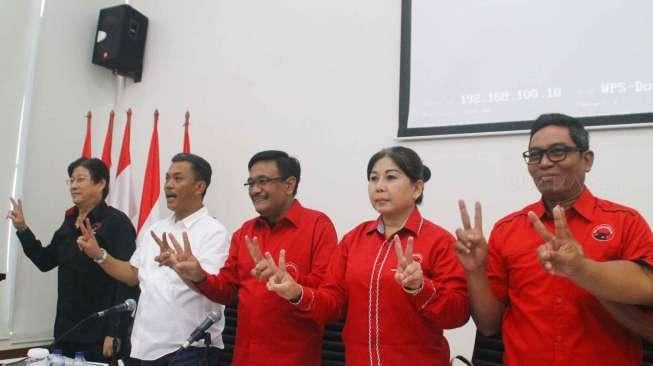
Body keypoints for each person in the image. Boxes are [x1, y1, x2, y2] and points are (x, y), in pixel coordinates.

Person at [455, 113, 653, 365]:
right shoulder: (507, 230)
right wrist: (475, 270)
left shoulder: (625, 222)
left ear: (587, 159)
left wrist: (582, 270)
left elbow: (648, 293)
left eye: (558, 152)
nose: (545, 163)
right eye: (535, 155)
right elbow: (489, 325)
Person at [265, 146, 470, 365]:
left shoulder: (439, 241)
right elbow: (333, 305)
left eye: (391, 177)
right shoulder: (353, 240)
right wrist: (297, 292)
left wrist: (421, 287)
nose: (379, 187)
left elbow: (458, 314)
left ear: (417, 188)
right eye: (373, 179)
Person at [165, 150, 338, 365]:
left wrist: (294, 288)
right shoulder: (245, 233)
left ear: (289, 185)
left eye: (263, 181)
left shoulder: (318, 226)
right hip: (245, 357)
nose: (255, 190)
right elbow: (227, 293)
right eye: (251, 183)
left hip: (294, 359)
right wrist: (199, 276)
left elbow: (330, 303)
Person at [77, 153, 229, 365]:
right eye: (167, 178)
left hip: (190, 349)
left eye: (177, 178)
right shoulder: (156, 229)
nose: (168, 185)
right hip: (147, 347)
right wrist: (99, 255)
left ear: (199, 187)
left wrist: (180, 268)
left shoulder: (214, 232)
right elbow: (133, 275)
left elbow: (217, 290)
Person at [6, 157, 138, 363]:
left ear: (101, 183)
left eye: (80, 179)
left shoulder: (116, 223)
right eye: (71, 180)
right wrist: (23, 230)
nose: (74, 186)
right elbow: (45, 261)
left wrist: (115, 332)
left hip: (100, 333)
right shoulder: (69, 221)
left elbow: (128, 281)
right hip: (67, 329)